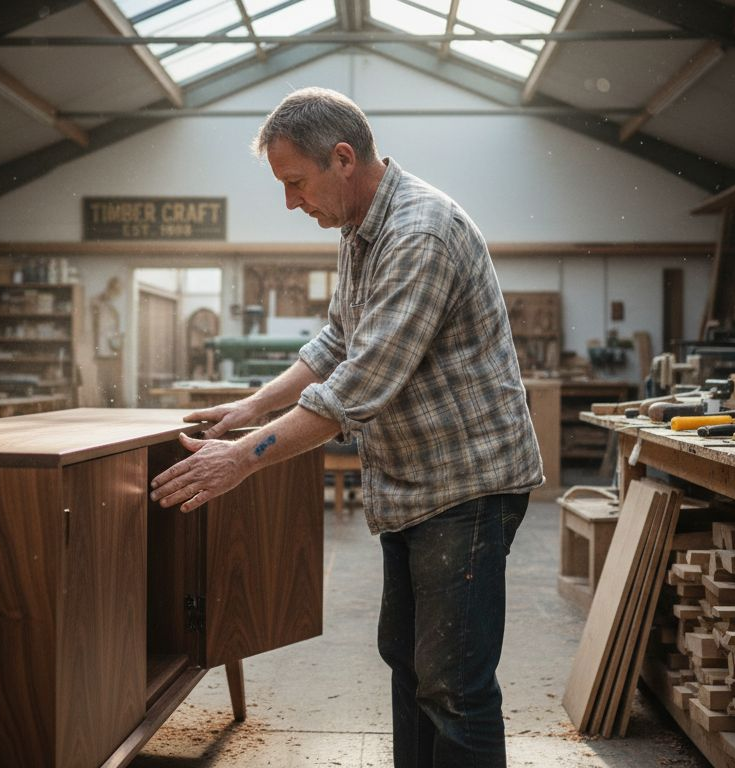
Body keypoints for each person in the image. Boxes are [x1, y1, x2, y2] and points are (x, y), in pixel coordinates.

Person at [150, 86, 543, 767]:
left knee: (453, 686)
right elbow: (336, 341)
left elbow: (357, 388)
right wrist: (252, 409)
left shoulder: (419, 233)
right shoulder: (361, 229)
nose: (290, 202)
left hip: (467, 485)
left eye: (296, 183)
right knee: (410, 663)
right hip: (413, 483)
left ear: (342, 159)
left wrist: (239, 459)